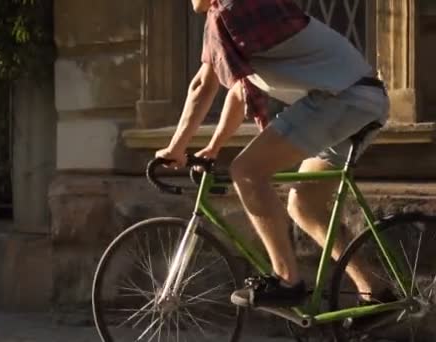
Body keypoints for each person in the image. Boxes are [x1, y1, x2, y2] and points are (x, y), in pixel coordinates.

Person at [156, 0, 390, 308]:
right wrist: (213, 147)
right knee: (305, 205)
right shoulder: (239, 13)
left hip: (342, 99)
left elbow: (203, 84)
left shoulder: (228, 12)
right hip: (361, 99)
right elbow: (241, 91)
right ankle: (375, 293)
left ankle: (286, 280)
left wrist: (175, 148)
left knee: (247, 172)